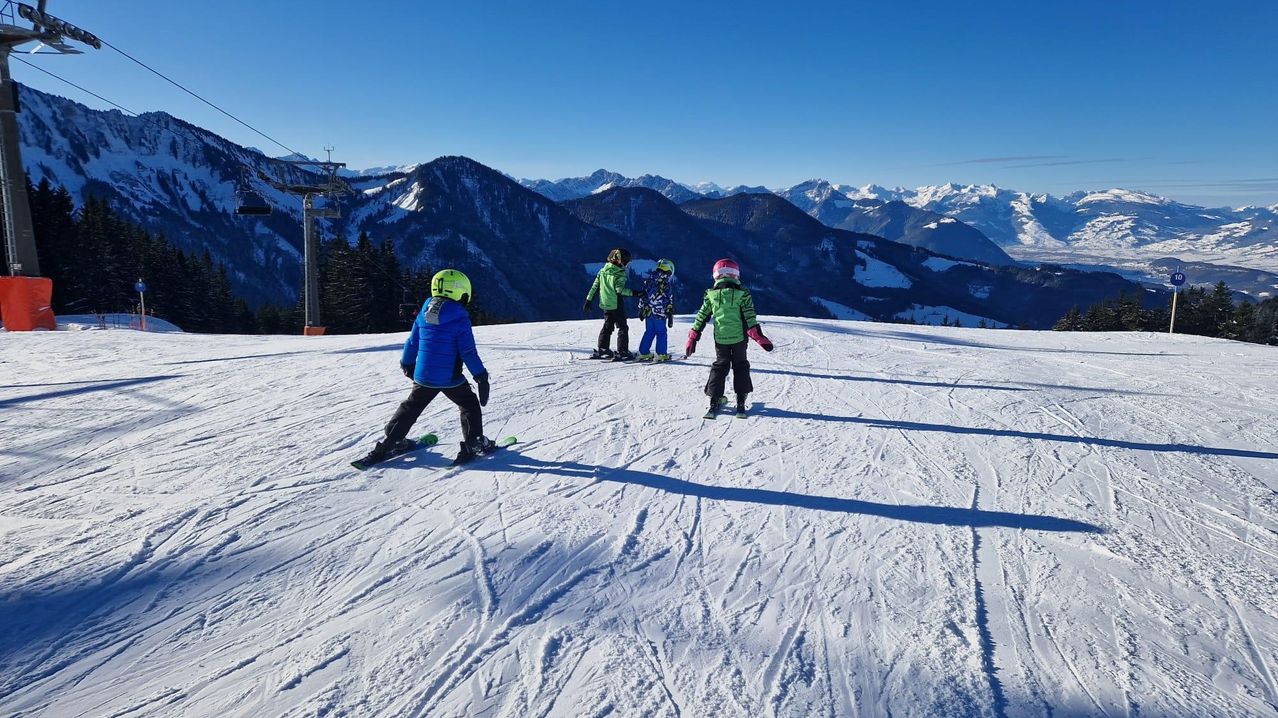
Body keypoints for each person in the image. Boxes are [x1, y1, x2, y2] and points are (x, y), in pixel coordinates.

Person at [356, 269, 495, 466]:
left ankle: (392, 440)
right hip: (450, 378)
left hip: (423, 376)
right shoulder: (460, 317)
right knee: (468, 403)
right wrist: (481, 376)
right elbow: (468, 352)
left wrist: (406, 365)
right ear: (460, 292)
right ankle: (474, 442)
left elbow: (412, 343)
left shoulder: (425, 311)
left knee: (411, 406)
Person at [684, 259, 774, 417]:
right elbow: (749, 317)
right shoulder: (743, 293)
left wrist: (693, 336)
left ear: (715, 275)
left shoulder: (711, 295)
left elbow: (701, 316)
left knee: (720, 366)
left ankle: (714, 400)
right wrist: (758, 336)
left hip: (721, 339)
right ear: (736, 275)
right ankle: (740, 400)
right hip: (739, 338)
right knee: (740, 365)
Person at [583, 248, 639, 361]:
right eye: (626, 261)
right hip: (616, 304)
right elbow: (620, 290)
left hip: (605, 304)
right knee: (623, 327)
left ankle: (602, 349)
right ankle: (622, 351)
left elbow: (595, 286)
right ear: (621, 261)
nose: (627, 264)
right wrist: (636, 293)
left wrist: (588, 300)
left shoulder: (603, 270)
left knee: (608, 326)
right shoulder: (620, 273)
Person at [637, 258, 676, 362]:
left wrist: (641, 309)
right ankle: (661, 354)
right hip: (660, 313)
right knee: (661, 332)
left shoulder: (649, 280)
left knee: (649, 332)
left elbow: (643, 295)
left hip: (648, 312)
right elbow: (669, 300)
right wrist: (670, 313)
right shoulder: (666, 283)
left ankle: (643, 352)